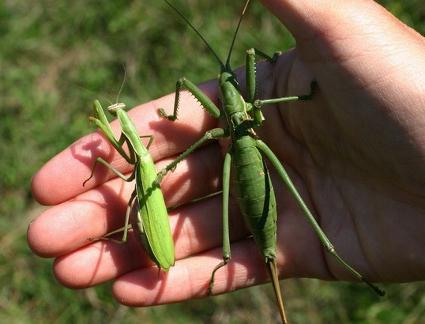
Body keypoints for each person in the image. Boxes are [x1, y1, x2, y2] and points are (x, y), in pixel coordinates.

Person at [28, 0, 425, 307]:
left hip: (252, 149)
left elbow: (235, 78)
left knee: (284, 193)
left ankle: (330, 250)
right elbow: (201, 131)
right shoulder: (235, 109)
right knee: (214, 159)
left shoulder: (243, 100)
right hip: (240, 151)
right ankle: (232, 254)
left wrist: (297, 92)